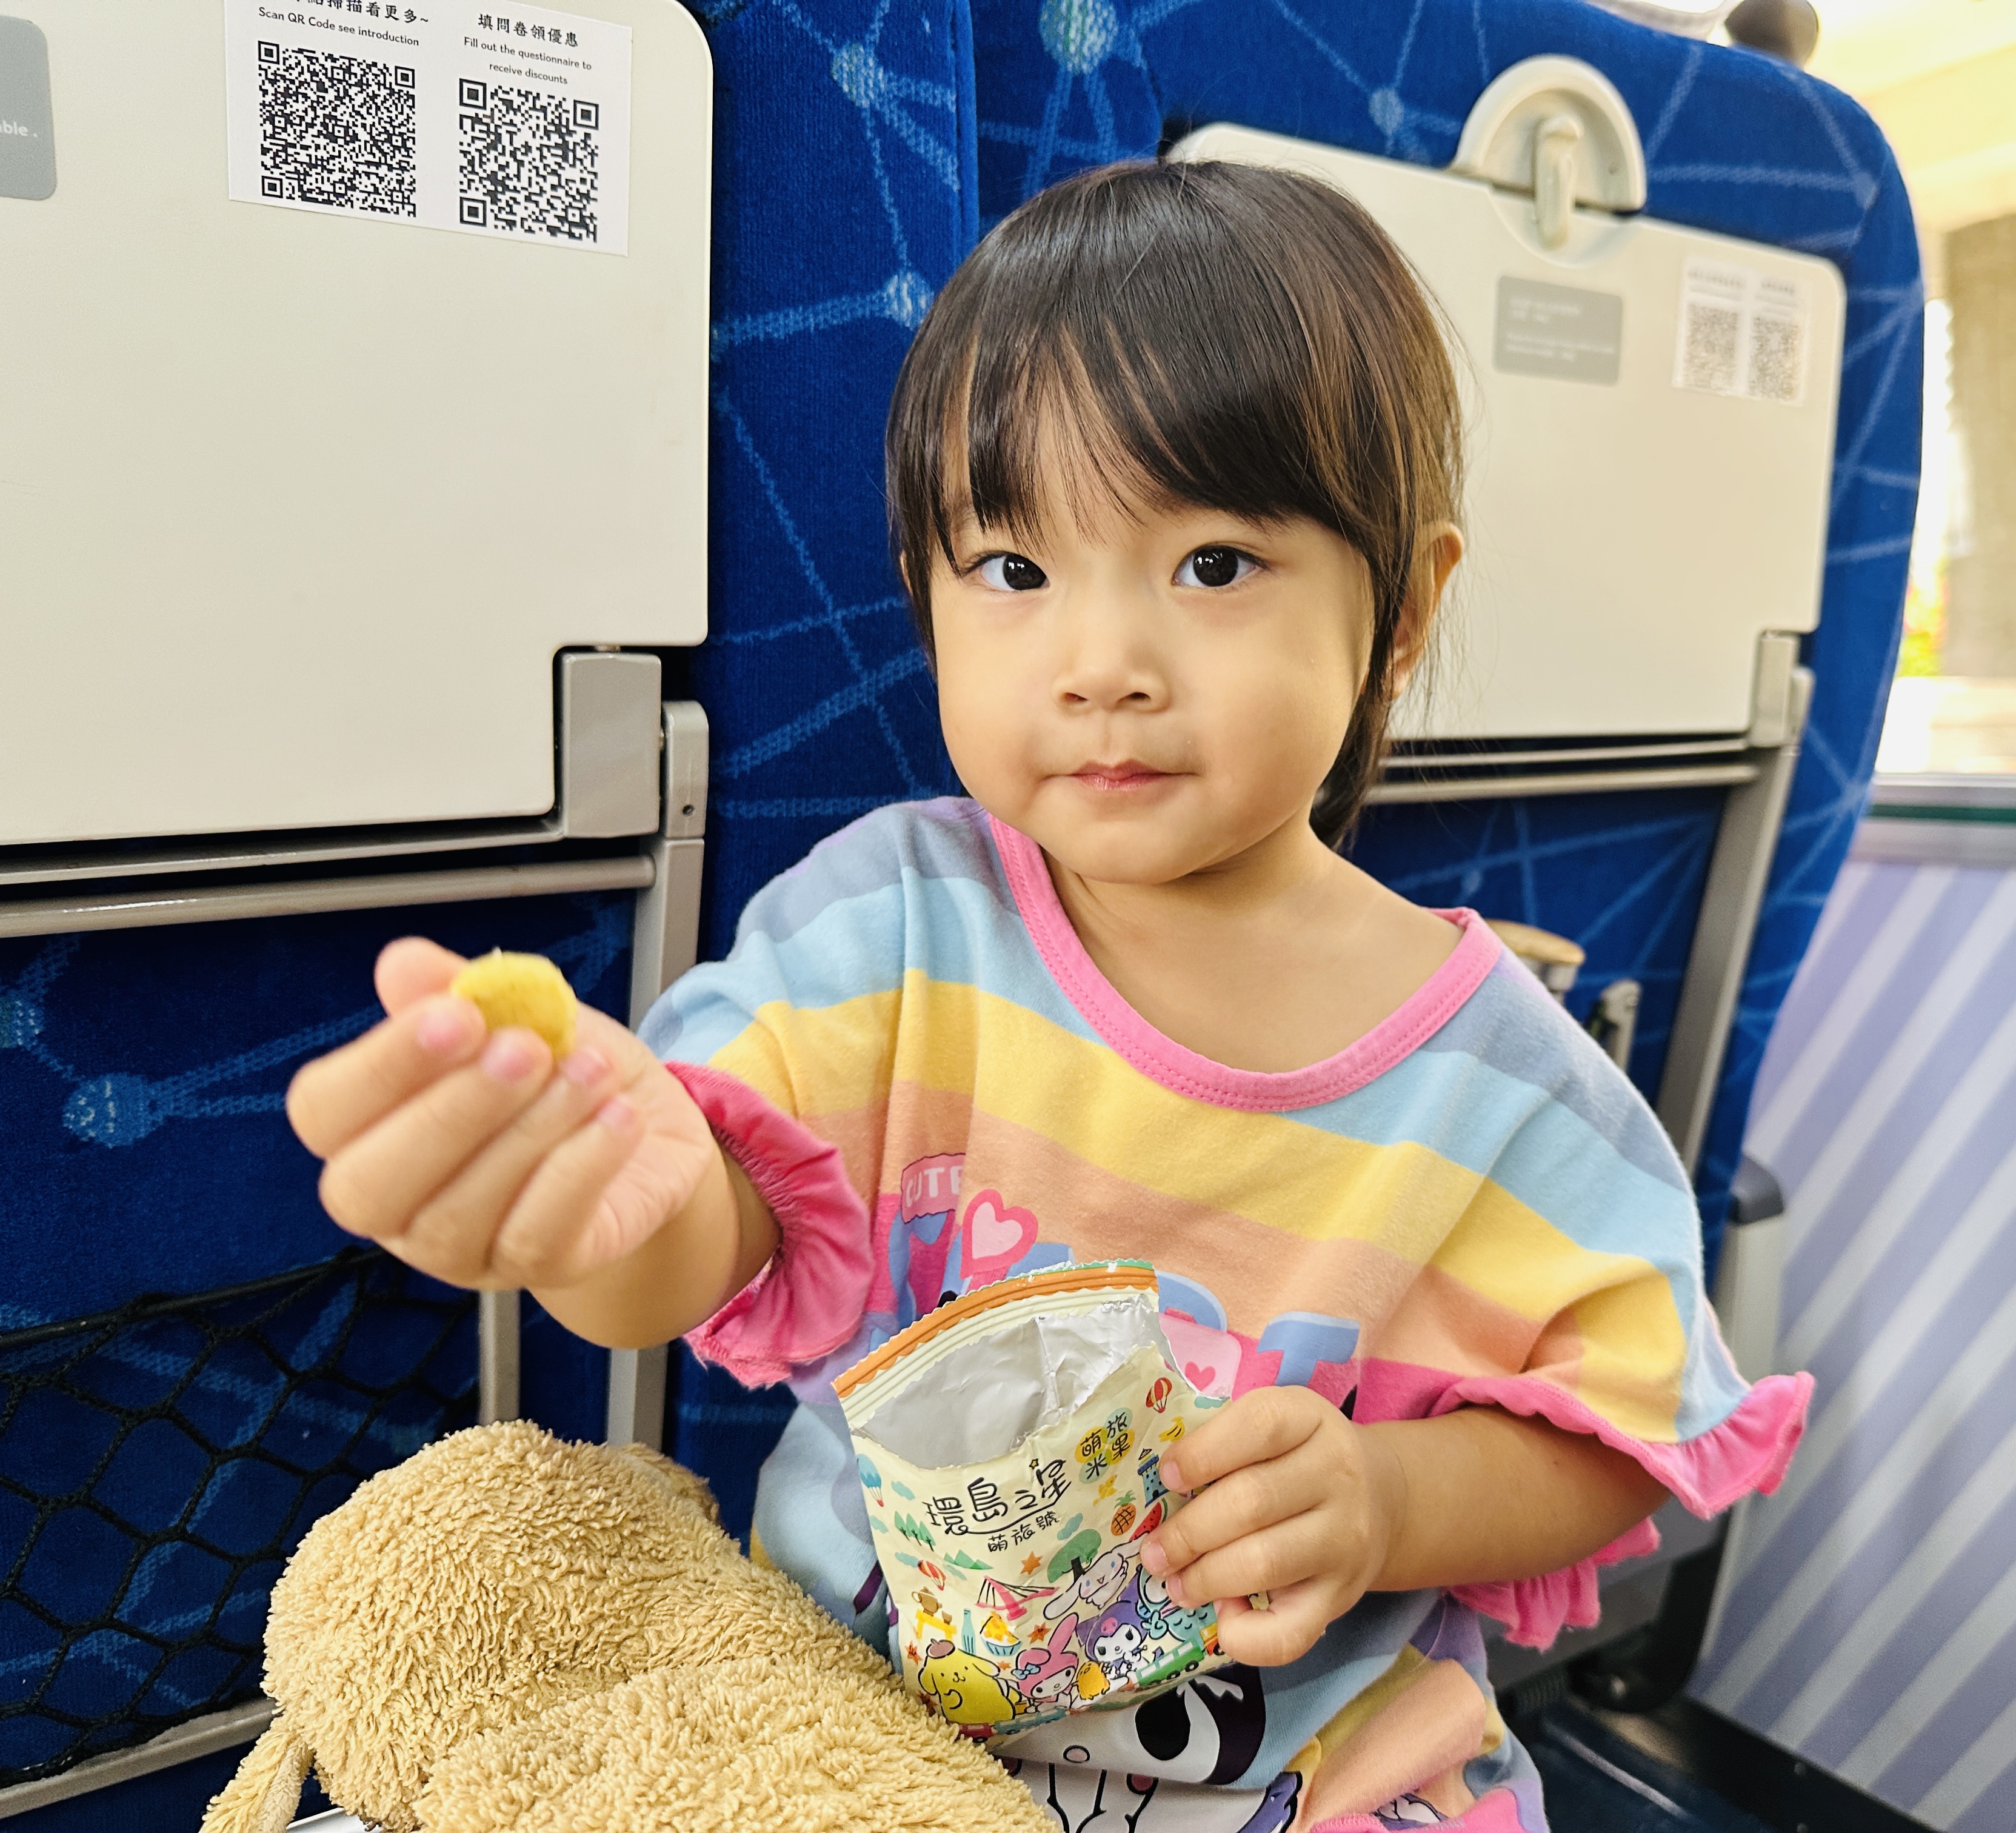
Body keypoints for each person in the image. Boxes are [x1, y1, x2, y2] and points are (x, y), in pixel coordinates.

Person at [286, 159, 1811, 1832]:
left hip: (1294, 1774)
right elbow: (693, 1245)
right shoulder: (890, 928)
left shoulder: (1510, 1091)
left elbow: (1619, 1445)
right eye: (1013, 569)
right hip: (847, 1739)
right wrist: (594, 1208)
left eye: (1215, 563)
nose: (1102, 659)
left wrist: (1385, 1499)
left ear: (1404, 609)